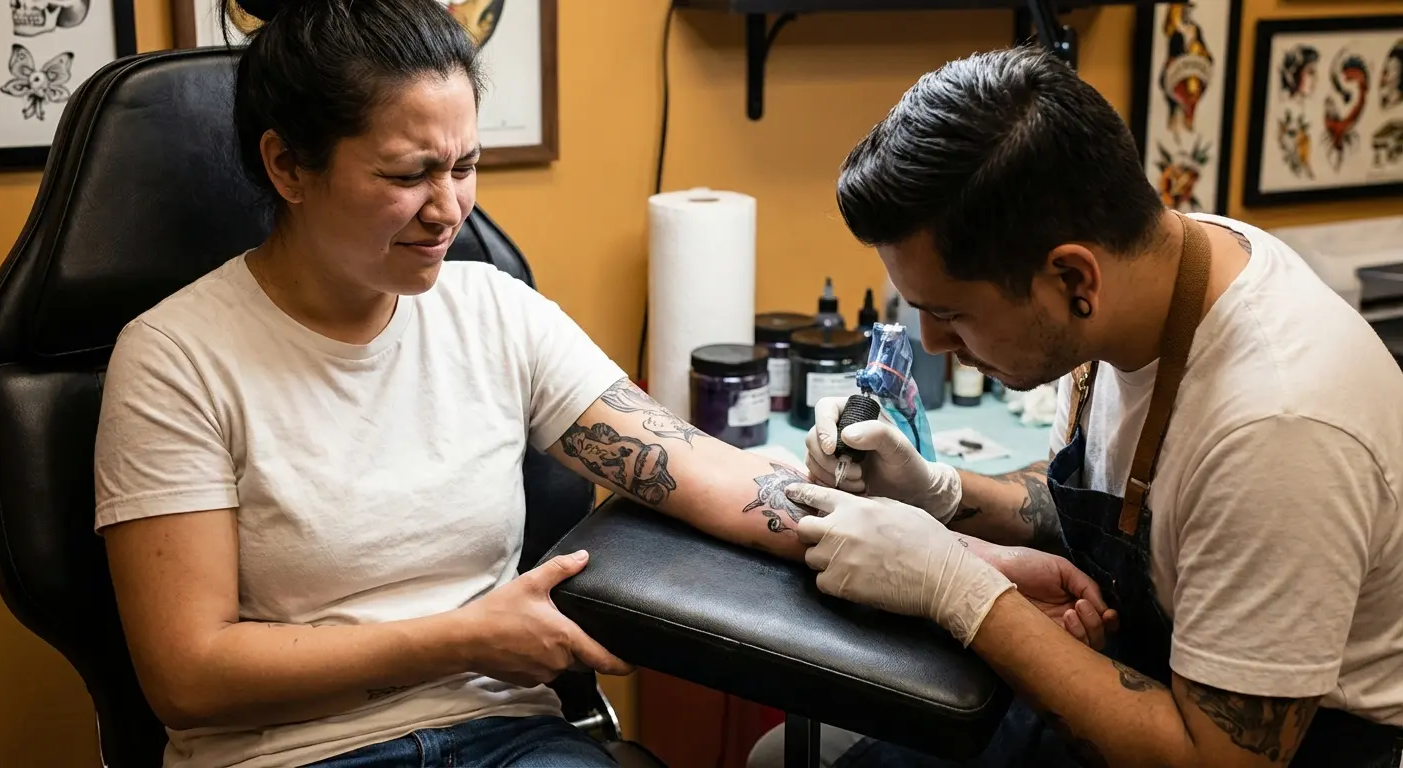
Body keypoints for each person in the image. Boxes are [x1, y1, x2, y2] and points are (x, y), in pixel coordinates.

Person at [92, 4, 1111, 767]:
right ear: (287, 165)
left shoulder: (492, 312)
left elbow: (712, 478)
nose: (449, 207)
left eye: (467, 162)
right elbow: (187, 674)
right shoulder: (178, 361)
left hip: (508, 738)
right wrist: (468, 634)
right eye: (407, 174)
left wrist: (968, 564)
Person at [753, 46, 1403, 768]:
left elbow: (1216, 760)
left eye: (952, 314)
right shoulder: (1144, 277)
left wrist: (958, 591)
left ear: (1071, 276)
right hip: (1142, 686)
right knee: (786, 756)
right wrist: (937, 494)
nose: (932, 344)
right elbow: (1102, 491)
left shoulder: (1281, 431)